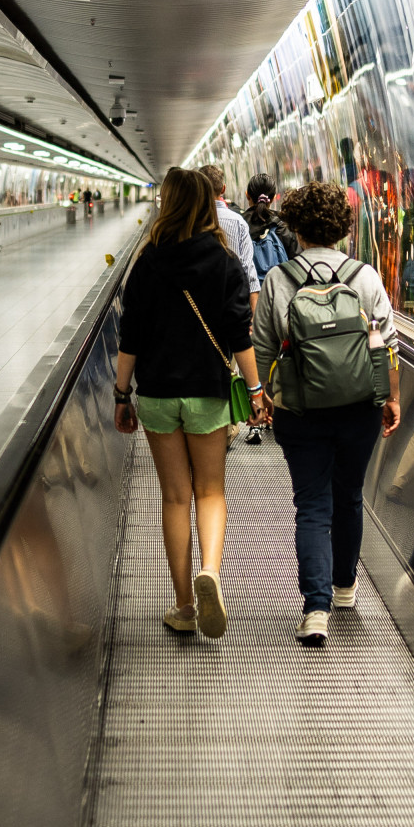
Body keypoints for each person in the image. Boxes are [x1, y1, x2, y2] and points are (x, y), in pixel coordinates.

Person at [113, 167, 268, 640]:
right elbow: (240, 334)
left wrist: (122, 395)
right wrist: (256, 390)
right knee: (211, 492)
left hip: (158, 393)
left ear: (167, 202)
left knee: (175, 497)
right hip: (207, 391)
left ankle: (182, 605)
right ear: (208, 203)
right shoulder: (224, 261)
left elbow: (130, 336)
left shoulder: (147, 261)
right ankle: (211, 573)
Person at [253, 180, 400, 647]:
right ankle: (344, 589)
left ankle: (314, 610)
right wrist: (391, 398)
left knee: (312, 505)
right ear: (342, 226)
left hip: (300, 410)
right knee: (350, 495)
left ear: (294, 226)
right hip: (359, 407)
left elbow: (261, 345)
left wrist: (267, 395)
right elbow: (388, 345)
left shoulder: (278, 280)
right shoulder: (366, 276)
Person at [239, 175, 298, 443]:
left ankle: (255, 419)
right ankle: (280, 413)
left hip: (249, 300)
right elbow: (299, 263)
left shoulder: (239, 223)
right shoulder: (284, 227)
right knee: (280, 355)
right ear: (274, 197)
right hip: (281, 302)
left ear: (248, 196)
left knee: (254, 357)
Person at [198, 164, 259, 307]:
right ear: (223, 189)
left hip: (201, 304)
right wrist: (253, 317)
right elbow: (248, 269)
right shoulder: (238, 222)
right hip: (234, 302)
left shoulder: (191, 222)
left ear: (198, 189)